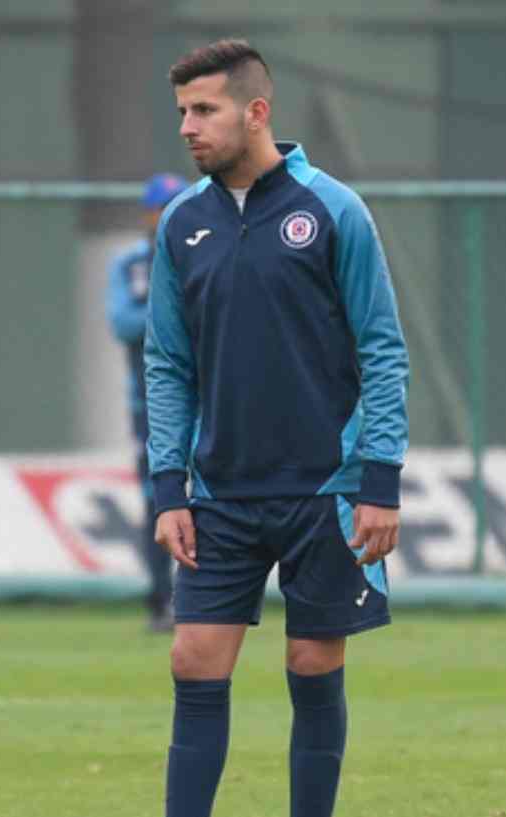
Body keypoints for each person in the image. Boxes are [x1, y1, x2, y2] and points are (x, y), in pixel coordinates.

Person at [144, 39, 409, 817]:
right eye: (182, 112)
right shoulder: (180, 224)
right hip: (221, 491)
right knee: (193, 660)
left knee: (310, 661)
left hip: (324, 490)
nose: (188, 127)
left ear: (255, 112)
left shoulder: (332, 210)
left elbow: (383, 350)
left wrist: (378, 479)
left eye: (204, 110)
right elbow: (166, 362)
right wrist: (169, 487)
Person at [106, 171, 187, 633]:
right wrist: (172, 305)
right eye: (162, 208)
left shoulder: (204, 252)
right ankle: (159, 598)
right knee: (159, 498)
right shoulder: (132, 264)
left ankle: (208, 602)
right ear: (148, 213)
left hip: (210, 400)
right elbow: (122, 321)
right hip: (151, 403)